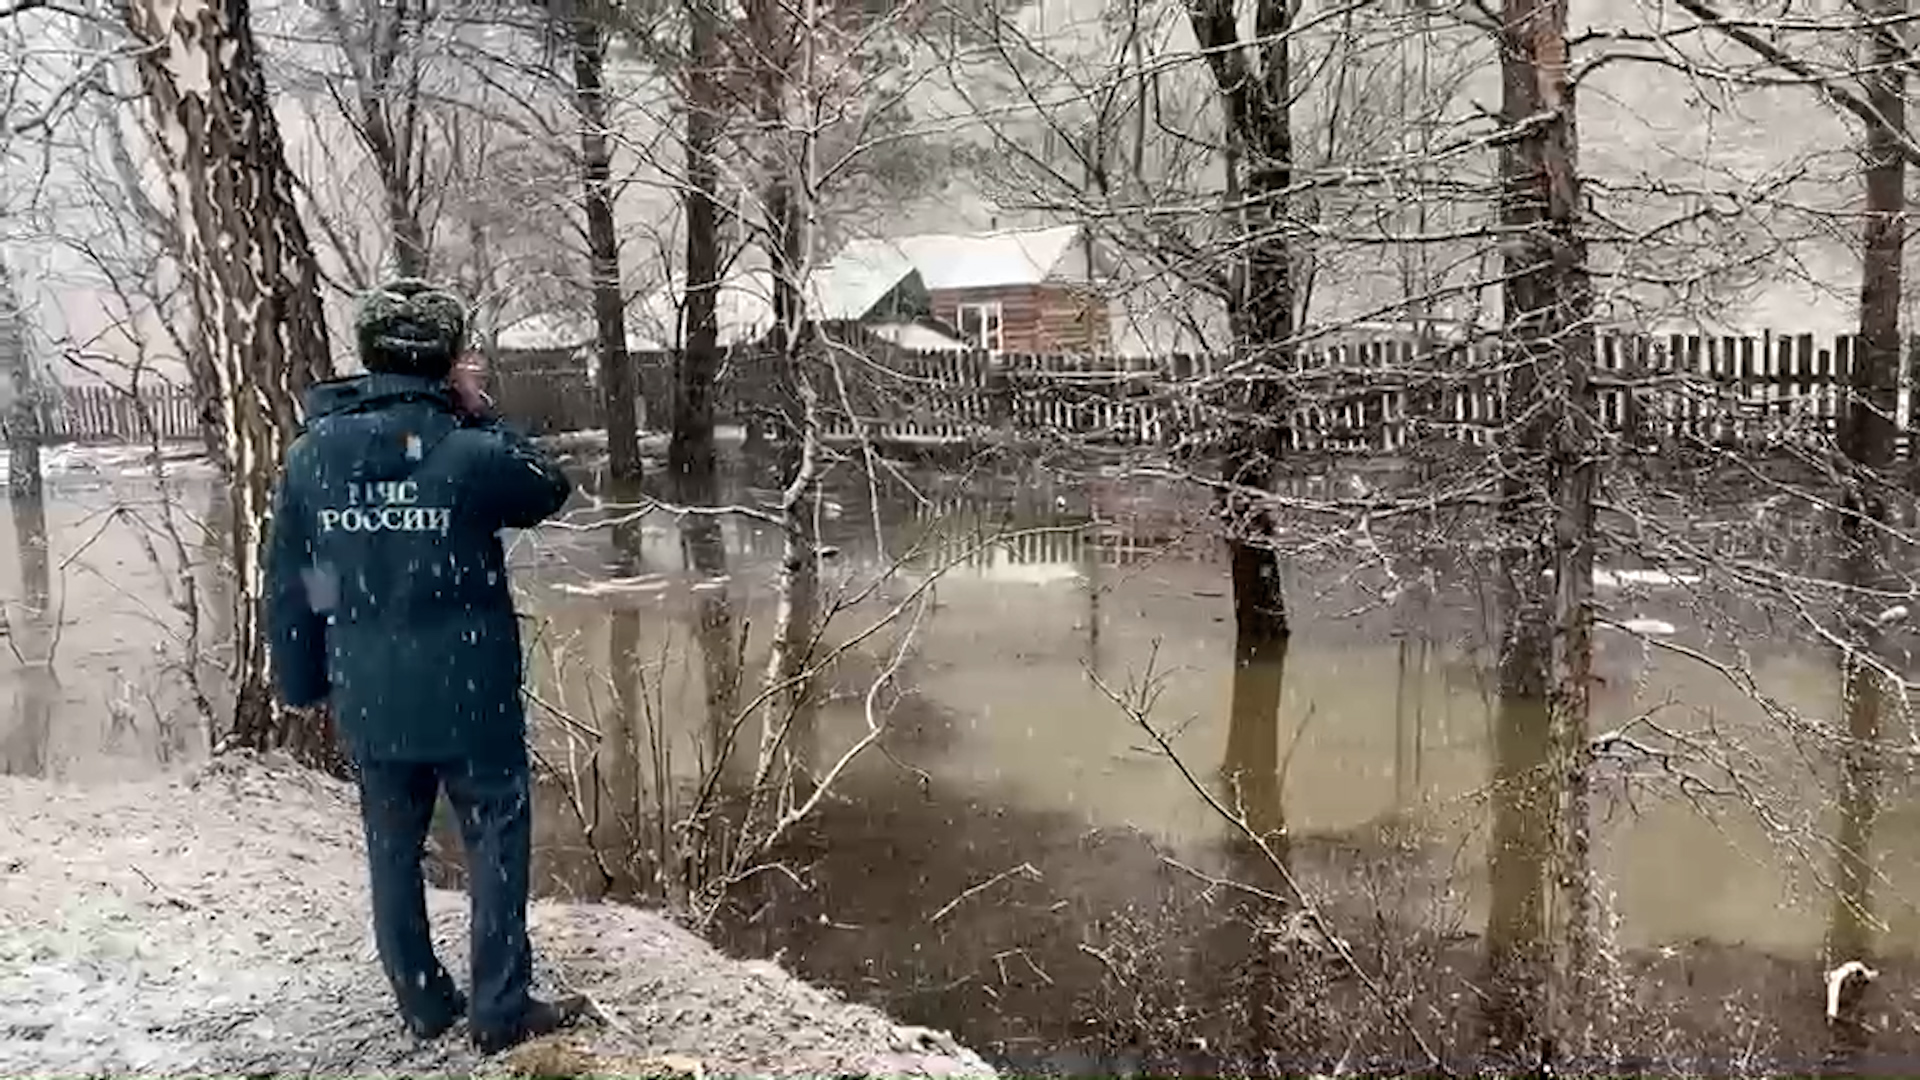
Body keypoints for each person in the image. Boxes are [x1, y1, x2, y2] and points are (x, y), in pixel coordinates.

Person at [264, 279, 585, 1053]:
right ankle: (500, 1006)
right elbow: (548, 487)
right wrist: (482, 411)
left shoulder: (313, 456)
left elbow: (299, 580)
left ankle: (422, 1000)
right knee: (496, 842)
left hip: (371, 691)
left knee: (391, 845)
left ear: (370, 354)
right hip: (469, 689)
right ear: (446, 360)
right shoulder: (470, 450)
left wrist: (305, 682)